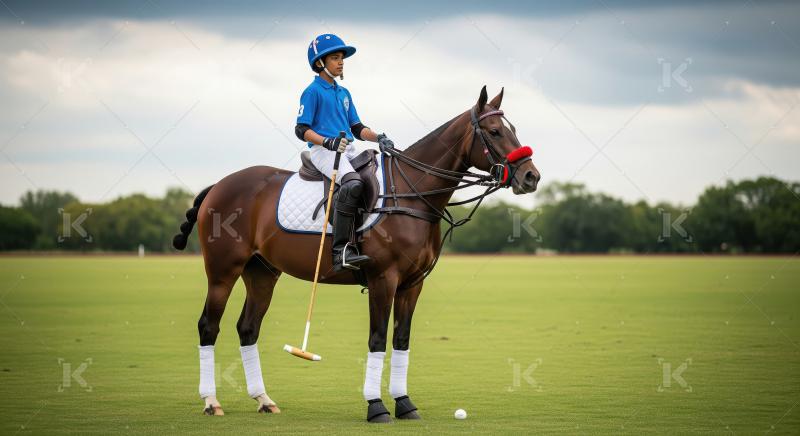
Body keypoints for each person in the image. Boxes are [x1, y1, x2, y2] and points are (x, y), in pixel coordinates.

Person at [295, 33, 394, 272]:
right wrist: (327, 142)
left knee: (377, 175)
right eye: (335, 58)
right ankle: (341, 252)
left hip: (347, 148)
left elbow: (357, 128)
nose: (341, 62)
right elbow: (301, 129)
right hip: (323, 150)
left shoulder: (344, 93)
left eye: (342, 58)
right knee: (352, 184)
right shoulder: (312, 92)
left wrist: (379, 137)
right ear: (320, 63)